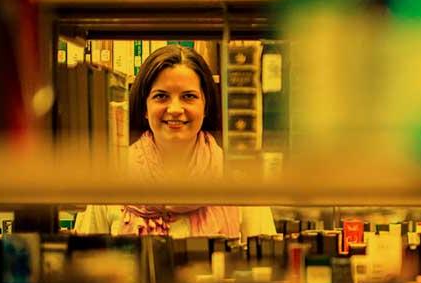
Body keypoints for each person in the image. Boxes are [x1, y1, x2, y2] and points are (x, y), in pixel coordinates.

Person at [74, 45, 275, 238]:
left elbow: (268, 263)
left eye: (188, 96)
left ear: (206, 106)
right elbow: (83, 263)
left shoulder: (239, 177)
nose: (175, 109)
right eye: (161, 96)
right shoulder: (110, 175)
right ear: (144, 107)